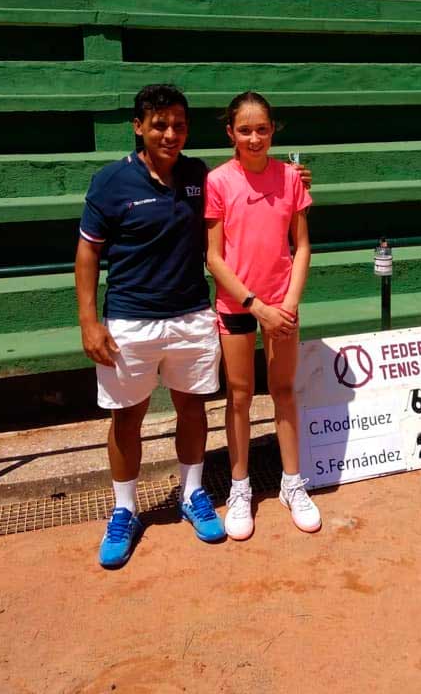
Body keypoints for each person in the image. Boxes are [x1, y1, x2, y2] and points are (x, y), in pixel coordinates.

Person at [75, 84, 224, 568]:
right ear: (138, 127)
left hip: (191, 317)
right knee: (126, 418)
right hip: (129, 323)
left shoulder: (199, 174)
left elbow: (244, 189)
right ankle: (124, 510)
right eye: (159, 124)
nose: (170, 133)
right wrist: (89, 322)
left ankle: (192, 493)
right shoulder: (110, 181)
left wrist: (292, 177)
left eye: (179, 125)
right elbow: (88, 252)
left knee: (193, 409)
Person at [205, 91, 321, 540]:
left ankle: (292, 483)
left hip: (283, 303)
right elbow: (214, 257)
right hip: (239, 305)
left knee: (283, 390)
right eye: (245, 130)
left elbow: (302, 246)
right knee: (239, 395)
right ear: (230, 133)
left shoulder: (291, 177)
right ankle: (240, 488)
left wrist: (288, 303)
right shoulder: (218, 181)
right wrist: (256, 306)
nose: (254, 138)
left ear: (273, 131)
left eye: (262, 129)